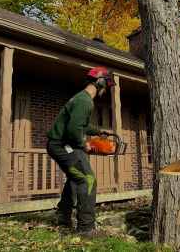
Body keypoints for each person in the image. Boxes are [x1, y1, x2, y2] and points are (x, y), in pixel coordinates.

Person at [46, 67, 116, 238]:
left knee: (76, 178)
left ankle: (63, 215)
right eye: (106, 86)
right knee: (88, 179)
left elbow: (81, 125)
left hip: (59, 145)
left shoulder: (81, 98)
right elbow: (74, 129)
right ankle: (86, 228)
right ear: (100, 82)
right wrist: (84, 146)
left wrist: (97, 131)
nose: (105, 90)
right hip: (64, 146)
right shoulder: (85, 101)